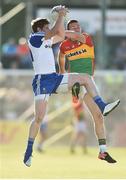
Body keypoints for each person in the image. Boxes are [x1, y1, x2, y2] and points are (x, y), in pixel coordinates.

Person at [23, 7, 119, 167]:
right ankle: (28, 151)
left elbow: (59, 34)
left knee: (87, 79)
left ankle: (102, 107)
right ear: (39, 29)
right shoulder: (34, 37)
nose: (47, 29)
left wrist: (60, 20)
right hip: (42, 81)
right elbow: (56, 32)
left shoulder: (55, 39)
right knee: (39, 118)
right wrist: (60, 16)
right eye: (45, 27)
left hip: (55, 78)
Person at [58, 19, 120, 162]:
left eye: (77, 26)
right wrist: (62, 71)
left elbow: (70, 38)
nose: (76, 28)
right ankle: (78, 95)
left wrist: (59, 31)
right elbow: (61, 56)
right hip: (77, 79)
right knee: (83, 81)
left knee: (98, 117)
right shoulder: (64, 45)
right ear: (68, 32)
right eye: (72, 27)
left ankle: (103, 151)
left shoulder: (85, 37)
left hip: (89, 83)